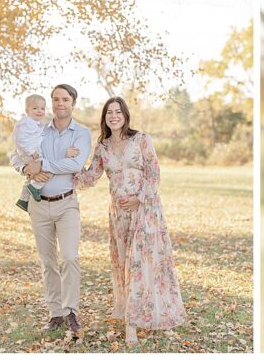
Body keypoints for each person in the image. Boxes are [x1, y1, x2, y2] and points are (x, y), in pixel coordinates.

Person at [75, 96, 187, 345]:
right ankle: (133, 313)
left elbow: (154, 172)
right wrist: (69, 165)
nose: (113, 116)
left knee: (141, 264)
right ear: (104, 118)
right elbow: (91, 175)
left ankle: (133, 325)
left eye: (118, 111)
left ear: (125, 115)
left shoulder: (141, 139)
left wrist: (140, 198)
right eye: (109, 113)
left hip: (145, 209)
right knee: (125, 264)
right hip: (118, 214)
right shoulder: (102, 145)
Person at [13, 84, 91, 337]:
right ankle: (55, 313)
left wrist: (43, 163)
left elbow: (75, 163)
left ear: (73, 103)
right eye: (55, 99)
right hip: (39, 205)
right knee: (48, 262)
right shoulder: (37, 129)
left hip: (67, 203)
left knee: (69, 257)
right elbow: (15, 156)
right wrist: (26, 169)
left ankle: (71, 311)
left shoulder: (81, 132)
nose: (60, 104)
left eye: (65, 99)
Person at [10, 94, 48, 211]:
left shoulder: (37, 124)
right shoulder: (26, 123)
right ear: (27, 110)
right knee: (47, 167)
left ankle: (23, 199)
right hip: (29, 154)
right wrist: (31, 152)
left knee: (32, 175)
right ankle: (35, 187)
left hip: (31, 153)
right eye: (35, 108)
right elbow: (21, 139)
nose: (39, 111)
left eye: (42, 108)